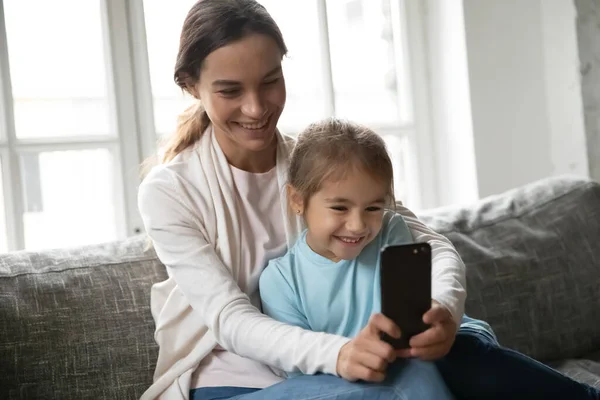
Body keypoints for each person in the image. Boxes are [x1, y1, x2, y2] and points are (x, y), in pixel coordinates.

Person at [137, 0, 600, 399]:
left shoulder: (314, 162)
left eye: (270, 80)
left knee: (460, 352)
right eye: (230, 91)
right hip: (235, 384)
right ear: (191, 86)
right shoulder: (170, 192)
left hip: (347, 362)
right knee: (407, 385)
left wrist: (444, 306)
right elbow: (231, 320)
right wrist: (339, 353)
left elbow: (429, 243)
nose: (257, 107)